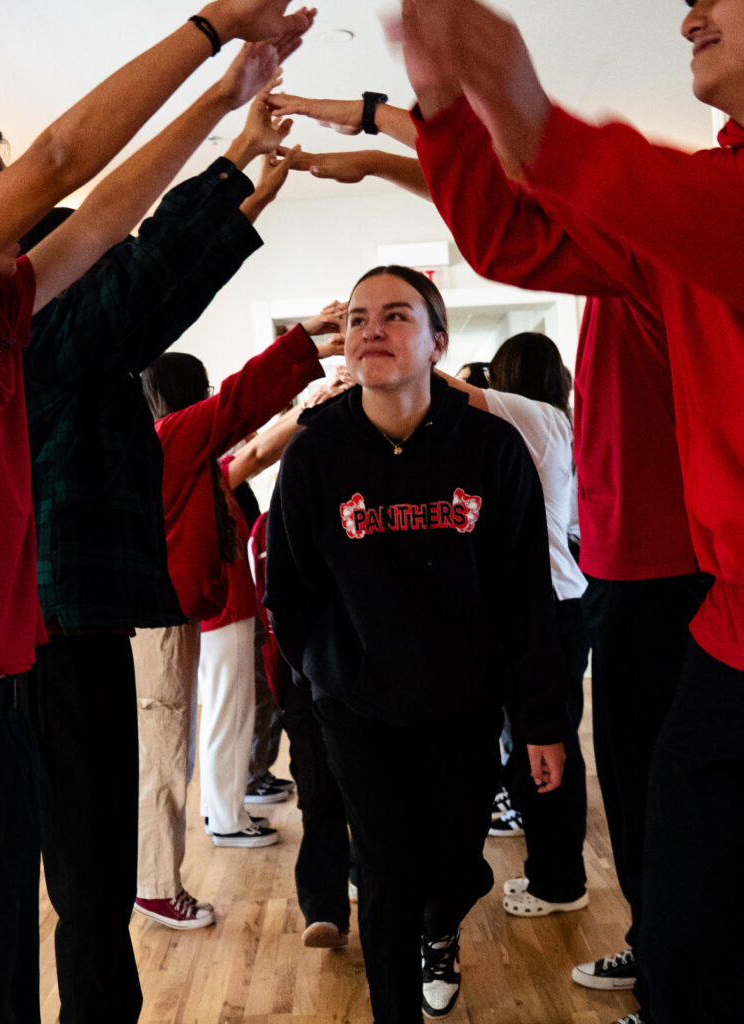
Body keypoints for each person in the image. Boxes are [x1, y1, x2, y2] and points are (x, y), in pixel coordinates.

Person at [0, 5, 314, 1020]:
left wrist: (226, 115)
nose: (16, 214)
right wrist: (212, 33)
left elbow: (104, 224)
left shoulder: (3, 312)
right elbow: (65, 171)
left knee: (14, 943)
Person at [398, 2, 743, 1022]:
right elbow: (513, 235)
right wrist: (445, 109)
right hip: (727, 636)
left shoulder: (710, 202)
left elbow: (648, 195)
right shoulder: (702, 197)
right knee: (684, 924)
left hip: (689, 602)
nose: (688, 17)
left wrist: (521, 104)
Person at [265, 265, 566, 1022]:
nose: (371, 329)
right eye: (358, 317)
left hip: (466, 705)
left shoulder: (491, 447)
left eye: (396, 315)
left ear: (437, 342)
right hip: (360, 709)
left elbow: (525, 593)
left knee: (457, 862)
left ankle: (441, 926)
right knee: (386, 870)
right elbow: (291, 592)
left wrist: (539, 719)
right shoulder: (314, 453)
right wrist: (328, 676)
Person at [131, 308, 343, 917]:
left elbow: (242, 425)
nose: (207, 394)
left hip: (170, 613)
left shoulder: (162, 443)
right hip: (163, 619)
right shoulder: (169, 436)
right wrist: (307, 344)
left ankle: (156, 879)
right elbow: (239, 406)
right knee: (164, 752)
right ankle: (155, 886)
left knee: (171, 748)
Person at [446, 332, 589, 916]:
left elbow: (444, 387)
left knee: (549, 749)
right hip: (554, 604)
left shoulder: (537, 418)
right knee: (542, 745)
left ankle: (560, 883)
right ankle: (553, 873)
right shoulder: (555, 426)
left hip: (549, 606)